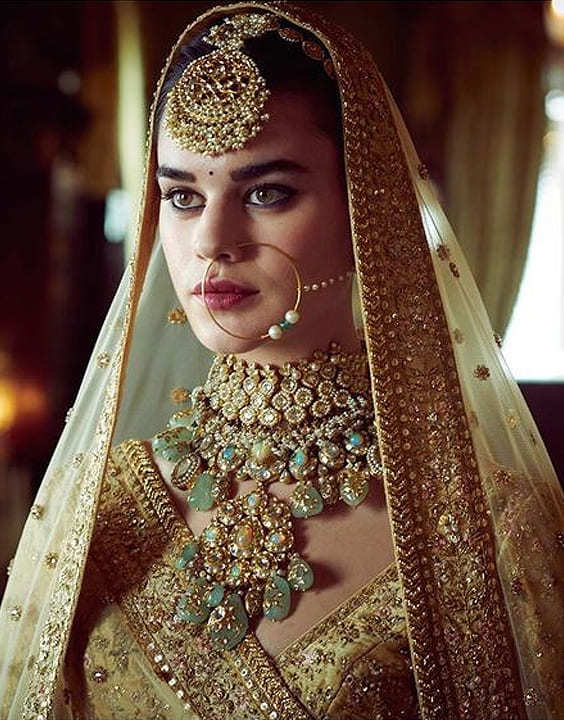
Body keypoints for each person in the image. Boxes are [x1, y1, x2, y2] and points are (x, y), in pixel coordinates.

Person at [1, 3, 563, 719]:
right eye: (180, 195)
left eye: (266, 192)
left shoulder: (484, 531)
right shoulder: (97, 506)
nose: (210, 239)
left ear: (367, 207)